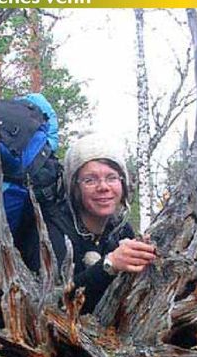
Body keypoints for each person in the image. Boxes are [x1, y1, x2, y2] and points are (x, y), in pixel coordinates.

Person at [41, 134, 157, 314]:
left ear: (123, 183)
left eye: (112, 178)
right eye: (90, 180)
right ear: (74, 187)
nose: (103, 187)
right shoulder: (52, 230)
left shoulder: (119, 230)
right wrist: (109, 265)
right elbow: (52, 304)